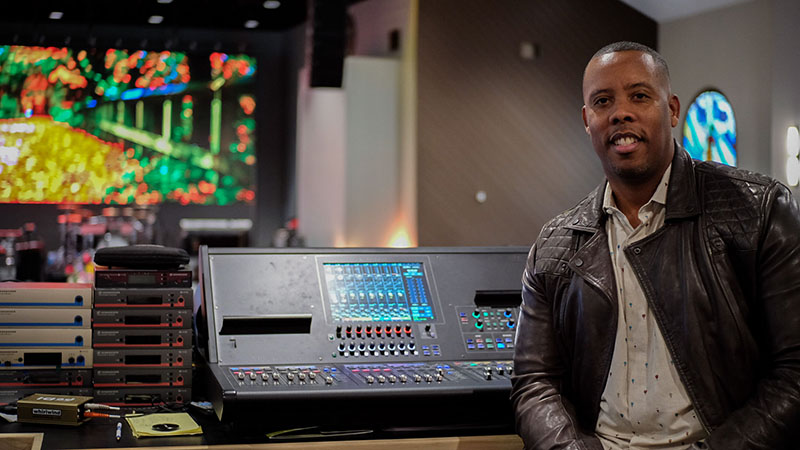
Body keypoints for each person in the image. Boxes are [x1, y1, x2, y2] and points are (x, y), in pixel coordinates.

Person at [510, 41, 800, 449]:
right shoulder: (554, 245)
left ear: (673, 110)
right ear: (587, 120)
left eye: (640, 96)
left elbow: (794, 372)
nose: (620, 112)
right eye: (603, 101)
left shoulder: (758, 210)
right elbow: (534, 383)